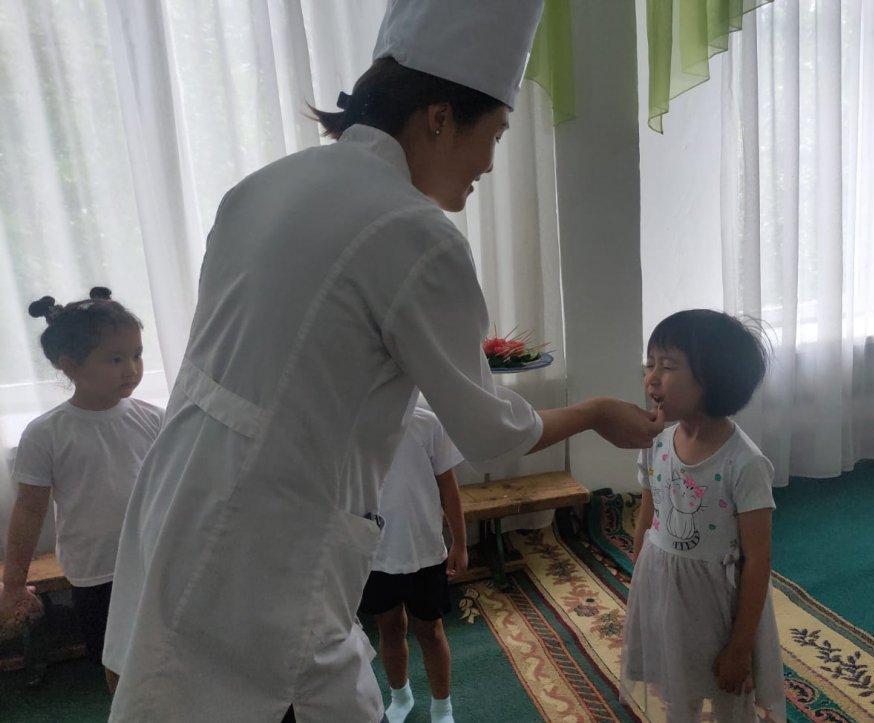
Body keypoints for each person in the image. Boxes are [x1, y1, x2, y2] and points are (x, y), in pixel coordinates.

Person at [103, 2, 664, 721]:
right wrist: (594, 412)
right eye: (494, 134)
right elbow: (489, 430)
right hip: (268, 527)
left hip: (178, 489)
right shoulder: (414, 231)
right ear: (439, 117)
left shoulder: (267, 184)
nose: (489, 163)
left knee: (174, 679)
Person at [621, 310, 786, 722]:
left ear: (712, 379)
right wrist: (641, 583)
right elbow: (648, 516)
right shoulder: (654, 443)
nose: (652, 378)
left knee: (726, 686)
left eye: (668, 366)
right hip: (666, 591)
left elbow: (758, 560)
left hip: (719, 603)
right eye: (650, 364)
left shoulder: (745, 464)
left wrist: (740, 647)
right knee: (677, 681)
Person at [0, 288, 163, 691]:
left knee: (166, 650)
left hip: (155, 559)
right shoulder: (46, 434)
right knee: (116, 658)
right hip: (97, 570)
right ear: (70, 365)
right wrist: (14, 582)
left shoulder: (154, 419)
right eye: (115, 359)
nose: (132, 369)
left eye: (137, 354)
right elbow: (29, 510)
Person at [358, 405, 466, 723]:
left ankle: (442, 707)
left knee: (430, 631)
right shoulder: (354, 421)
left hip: (426, 552)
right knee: (389, 628)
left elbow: (449, 488)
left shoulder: (427, 421)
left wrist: (460, 543)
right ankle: (400, 695)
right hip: (377, 553)